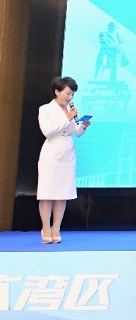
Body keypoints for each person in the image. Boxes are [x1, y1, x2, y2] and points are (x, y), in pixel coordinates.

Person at [36, 76, 91, 244]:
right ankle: (46, 228)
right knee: (47, 193)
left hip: (68, 154)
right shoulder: (45, 109)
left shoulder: (71, 109)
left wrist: (83, 127)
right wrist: (66, 118)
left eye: (72, 94)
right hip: (52, 154)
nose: (70, 97)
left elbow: (76, 132)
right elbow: (48, 132)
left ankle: (56, 228)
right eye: (68, 93)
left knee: (62, 194)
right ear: (57, 91)